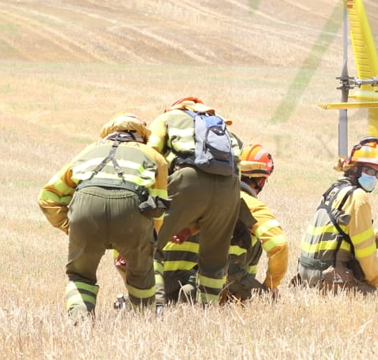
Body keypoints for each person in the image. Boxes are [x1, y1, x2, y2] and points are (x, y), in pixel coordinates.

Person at [38, 114, 169, 319]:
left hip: (85, 210)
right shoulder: (154, 156)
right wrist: (147, 240)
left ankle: (79, 323)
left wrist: (71, 228)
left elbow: (48, 196)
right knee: (141, 277)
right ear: (142, 136)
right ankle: (142, 321)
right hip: (131, 214)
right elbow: (158, 208)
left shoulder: (88, 151)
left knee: (80, 275)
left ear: (108, 134)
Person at [160, 143, 289, 303]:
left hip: (163, 280)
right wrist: (270, 286)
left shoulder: (201, 194)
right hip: (212, 281)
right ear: (262, 181)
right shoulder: (252, 205)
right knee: (267, 299)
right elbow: (279, 245)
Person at [149, 97, 242, 306]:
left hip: (187, 178)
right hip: (229, 187)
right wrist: (192, 228)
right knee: (214, 260)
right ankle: (207, 309)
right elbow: (237, 166)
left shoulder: (166, 118)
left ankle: (154, 306)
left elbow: (152, 155)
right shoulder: (220, 125)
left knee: (147, 245)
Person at [297, 137, 378, 294]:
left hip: (306, 277)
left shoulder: (334, 190)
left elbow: (350, 227)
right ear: (355, 168)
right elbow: (366, 253)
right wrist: (374, 284)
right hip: (328, 279)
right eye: (369, 171)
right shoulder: (358, 197)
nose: (373, 177)